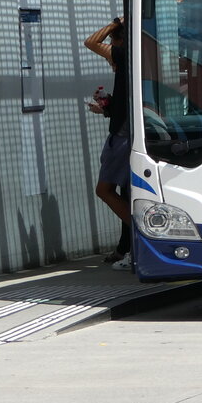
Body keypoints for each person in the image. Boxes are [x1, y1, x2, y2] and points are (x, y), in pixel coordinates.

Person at [84, 15, 132, 271]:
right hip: (123, 131)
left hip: (122, 138)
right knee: (126, 193)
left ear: (118, 42)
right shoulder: (131, 64)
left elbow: (91, 41)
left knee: (104, 190)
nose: (107, 57)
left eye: (111, 44)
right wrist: (105, 107)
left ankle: (140, 238)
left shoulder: (124, 55)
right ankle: (128, 245)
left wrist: (115, 23)